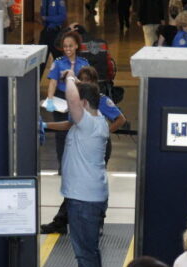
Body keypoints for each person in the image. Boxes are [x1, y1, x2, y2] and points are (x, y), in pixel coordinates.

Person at [41, 66, 126, 235]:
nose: (84, 83)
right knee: (77, 182)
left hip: (96, 146)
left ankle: (96, 222)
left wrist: (103, 133)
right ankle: (62, 221)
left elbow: (120, 119)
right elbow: (70, 123)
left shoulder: (100, 100)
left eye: (88, 80)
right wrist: (45, 125)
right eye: (82, 79)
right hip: (81, 146)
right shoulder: (80, 104)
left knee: (94, 179)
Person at [58, 78, 109, 267]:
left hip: (84, 201)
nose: (71, 107)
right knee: (90, 253)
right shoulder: (97, 123)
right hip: (86, 198)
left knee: (85, 254)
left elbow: (72, 100)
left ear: (84, 103)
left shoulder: (88, 124)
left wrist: (69, 77)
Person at [44, 30, 89, 171]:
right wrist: (50, 99)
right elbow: (53, 82)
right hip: (61, 99)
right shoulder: (58, 62)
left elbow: (87, 83)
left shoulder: (84, 63)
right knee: (61, 134)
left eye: (70, 46)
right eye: (65, 46)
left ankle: (78, 166)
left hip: (78, 98)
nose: (67, 49)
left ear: (76, 46)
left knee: (79, 132)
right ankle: (62, 167)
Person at [38, 0, 67, 78]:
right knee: (41, 60)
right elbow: (42, 13)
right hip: (46, 32)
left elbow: (62, 17)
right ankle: (35, 85)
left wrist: (47, 18)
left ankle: (63, 83)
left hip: (55, 33)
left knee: (59, 59)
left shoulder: (59, 1)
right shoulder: (44, 1)